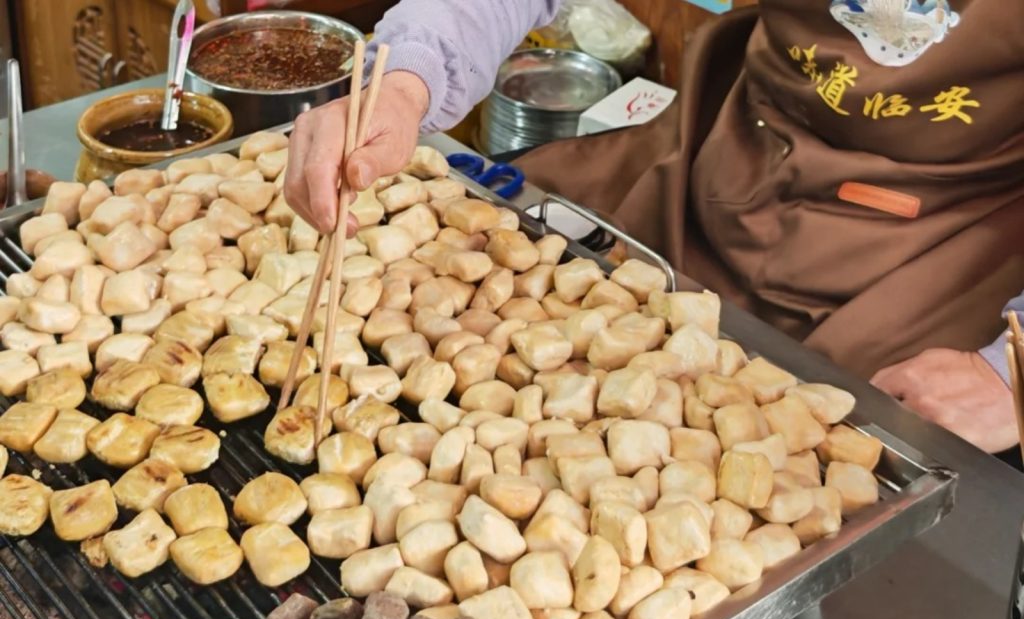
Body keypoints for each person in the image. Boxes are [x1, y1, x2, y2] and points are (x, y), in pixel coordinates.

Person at [284, 0, 1024, 454]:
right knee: (528, 260)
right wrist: (405, 77)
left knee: (836, 447)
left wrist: (1009, 374)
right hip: (736, 147)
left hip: (943, 230)